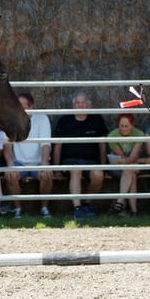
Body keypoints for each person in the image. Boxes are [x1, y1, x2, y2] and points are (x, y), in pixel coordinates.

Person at [52, 90, 108, 221]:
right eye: (78, 103)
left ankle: (87, 204)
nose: (81, 106)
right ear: (73, 105)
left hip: (91, 161)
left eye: (83, 103)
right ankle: (77, 208)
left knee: (98, 174)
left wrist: (104, 166)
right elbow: (58, 146)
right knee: (76, 170)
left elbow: (102, 145)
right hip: (70, 161)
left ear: (88, 105)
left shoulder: (97, 119)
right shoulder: (65, 120)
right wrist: (56, 169)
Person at [1, 92, 53, 218]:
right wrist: (10, 165)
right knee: (11, 175)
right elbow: (7, 145)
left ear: (32, 107)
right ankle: (18, 209)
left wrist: (45, 164)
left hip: (38, 161)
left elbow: (46, 144)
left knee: (47, 174)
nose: (19, 109)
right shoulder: (11, 119)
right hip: (19, 162)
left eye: (23, 106)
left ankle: (44, 208)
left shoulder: (42, 118)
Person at [106, 113, 150, 216]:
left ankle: (120, 202)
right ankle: (134, 211)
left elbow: (132, 157)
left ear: (132, 125)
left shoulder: (139, 134)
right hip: (120, 166)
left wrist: (130, 161)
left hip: (132, 164)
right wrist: (142, 160)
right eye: (121, 126)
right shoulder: (112, 136)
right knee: (131, 174)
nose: (124, 129)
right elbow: (121, 156)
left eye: (127, 126)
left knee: (128, 169)